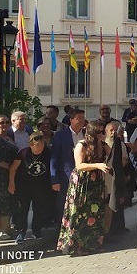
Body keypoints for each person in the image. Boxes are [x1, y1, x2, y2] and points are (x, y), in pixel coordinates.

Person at [56, 121, 111, 256]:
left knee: (95, 213)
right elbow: (79, 165)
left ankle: (92, 244)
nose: (101, 135)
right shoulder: (82, 145)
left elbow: (111, 158)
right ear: (91, 133)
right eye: (98, 132)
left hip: (96, 182)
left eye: (102, 132)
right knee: (79, 213)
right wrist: (97, 165)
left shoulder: (103, 146)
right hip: (82, 181)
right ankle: (75, 246)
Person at [9, 131, 52, 244]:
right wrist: (11, 183)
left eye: (42, 144)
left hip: (40, 185)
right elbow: (13, 168)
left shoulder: (47, 152)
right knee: (22, 209)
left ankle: (36, 230)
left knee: (39, 208)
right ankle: (21, 232)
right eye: (37, 144)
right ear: (31, 145)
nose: (40, 147)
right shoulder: (24, 153)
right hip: (24, 185)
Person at [50, 109, 86, 224]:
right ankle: (62, 231)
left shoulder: (87, 135)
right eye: (78, 118)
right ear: (71, 120)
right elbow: (54, 158)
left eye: (82, 118)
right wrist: (54, 179)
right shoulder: (60, 136)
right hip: (66, 176)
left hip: (85, 175)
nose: (81, 120)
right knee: (64, 205)